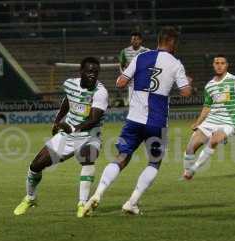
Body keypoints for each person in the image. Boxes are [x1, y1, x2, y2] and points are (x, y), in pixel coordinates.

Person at [82, 26, 192, 216]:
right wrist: (188, 82)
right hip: (157, 123)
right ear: (172, 41)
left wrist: (139, 80)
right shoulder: (176, 64)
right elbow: (186, 92)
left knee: (122, 157)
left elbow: (120, 83)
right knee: (154, 162)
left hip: (133, 120)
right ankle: (132, 202)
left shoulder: (141, 57)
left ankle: (98, 194)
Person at [13, 57, 109, 218]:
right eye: (89, 71)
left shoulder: (101, 92)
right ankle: (30, 198)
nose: (93, 75)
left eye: (96, 72)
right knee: (36, 165)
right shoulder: (70, 84)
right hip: (67, 135)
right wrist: (57, 121)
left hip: (89, 135)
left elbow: (94, 119)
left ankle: (82, 203)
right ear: (81, 72)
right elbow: (67, 100)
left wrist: (70, 127)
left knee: (88, 157)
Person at [182, 54, 235, 180]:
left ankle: (194, 169)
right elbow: (207, 107)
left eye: (222, 63)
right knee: (190, 149)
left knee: (214, 140)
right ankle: (187, 171)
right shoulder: (209, 85)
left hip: (228, 122)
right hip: (211, 121)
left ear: (227, 65)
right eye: (217, 63)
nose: (219, 65)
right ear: (213, 65)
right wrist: (198, 122)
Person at [118, 32, 149, 106]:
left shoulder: (146, 51)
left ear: (140, 40)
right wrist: (124, 76)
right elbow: (121, 65)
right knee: (132, 102)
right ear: (131, 40)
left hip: (143, 81)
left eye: (137, 39)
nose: (135, 41)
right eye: (133, 39)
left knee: (144, 102)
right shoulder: (124, 51)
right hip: (131, 81)